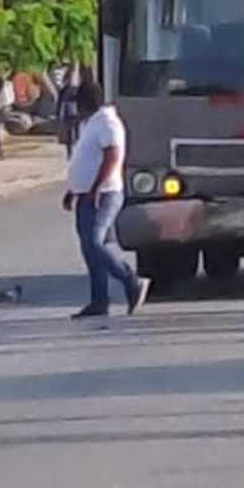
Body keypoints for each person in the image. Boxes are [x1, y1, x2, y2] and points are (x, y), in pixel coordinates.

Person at [61, 80, 150, 319]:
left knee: (95, 242)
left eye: (78, 104)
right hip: (85, 194)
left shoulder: (108, 123)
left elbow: (113, 157)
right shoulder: (91, 123)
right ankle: (99, 301)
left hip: (105, 193)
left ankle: (131, 281)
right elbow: (85, 159)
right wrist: (73, 189)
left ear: (87, 102)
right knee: (89, 250)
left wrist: (97, 187)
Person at [57, 67, 82, 159]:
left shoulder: (78, 89)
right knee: (68, 135)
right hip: (67, 112)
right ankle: (70, 153)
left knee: (77, 132)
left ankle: (76, 152)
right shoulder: (64, 89)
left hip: (75, 111)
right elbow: (59, 103)